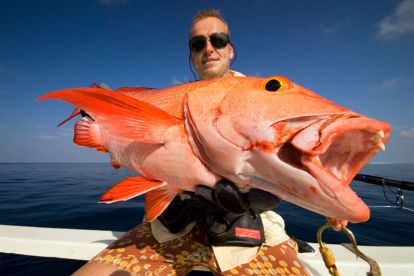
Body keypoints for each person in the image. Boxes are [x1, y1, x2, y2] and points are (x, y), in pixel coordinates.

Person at [74, 9, 310, 275]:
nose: (209, 49)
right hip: (174, 226)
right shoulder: (175, 98)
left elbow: (303, 149)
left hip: (248, 235)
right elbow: (141, 152)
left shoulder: (262, 96)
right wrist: (111, 130)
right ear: (191, 56)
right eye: (198, 44)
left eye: (217, 40)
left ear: (230, 50)